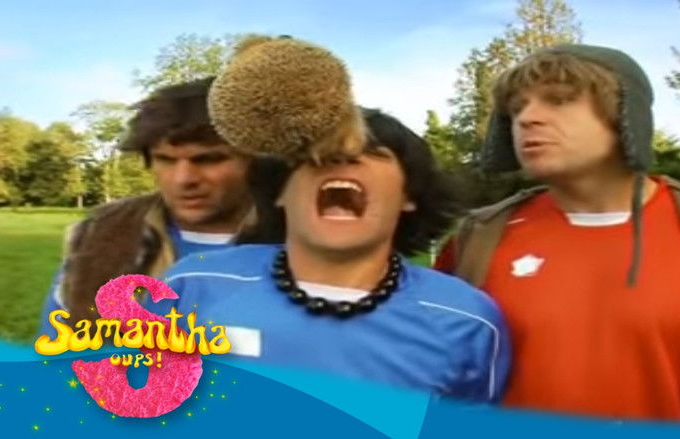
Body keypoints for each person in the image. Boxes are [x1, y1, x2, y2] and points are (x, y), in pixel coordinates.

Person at [435, 44, 680, 420]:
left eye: (559, 100)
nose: (527, 118)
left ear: (625, 114)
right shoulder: (476, 240)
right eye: (516, 109)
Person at [148, 109, 511, 403]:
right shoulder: (192, 285)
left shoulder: (468, 320)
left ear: (408, 196)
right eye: (319, 155)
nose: (342, 160)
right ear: (279, 192)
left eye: (372, 153)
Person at [38, 77, 280, 336]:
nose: (183, 179)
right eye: (165, 159)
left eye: (208, 159)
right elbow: (60, 348)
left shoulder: (296, 236)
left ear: (256, 160)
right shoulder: (99, 235)